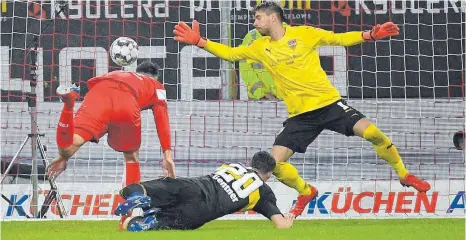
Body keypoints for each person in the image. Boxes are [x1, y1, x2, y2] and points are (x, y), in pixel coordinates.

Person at [172, 1, 431, 217]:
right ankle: (307, 192)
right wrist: (200, 42)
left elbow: (338, 38)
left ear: (274, 18)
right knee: (274, 164)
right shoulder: (261, 47)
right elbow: (231, 54)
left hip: (329, 104)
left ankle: (404, 174)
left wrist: (369, 35)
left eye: (258, 18)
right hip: (300, 116)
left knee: (373, 133)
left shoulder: (304, 33)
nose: (254, 23)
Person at [46, 61, 176, 228]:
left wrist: (64, 157)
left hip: (99, 93)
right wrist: (167, 154)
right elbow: (161, 118)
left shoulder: (118, 73)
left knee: (68, 147)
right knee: (131, 157)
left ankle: (68, 105)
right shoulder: (156, 85)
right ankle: (126, 219)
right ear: (155, 77)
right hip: (126, 101)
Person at [115, 151, 295, 231]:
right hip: (201, 211)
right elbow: (280, 224)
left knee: (151, 187)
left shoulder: (233, 166)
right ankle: (151, 221)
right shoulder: (263, 191)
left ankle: (140, 195)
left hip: (191, 186)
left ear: (251, 164)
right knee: (174, 219)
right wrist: (288, 220)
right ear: (269, 174)